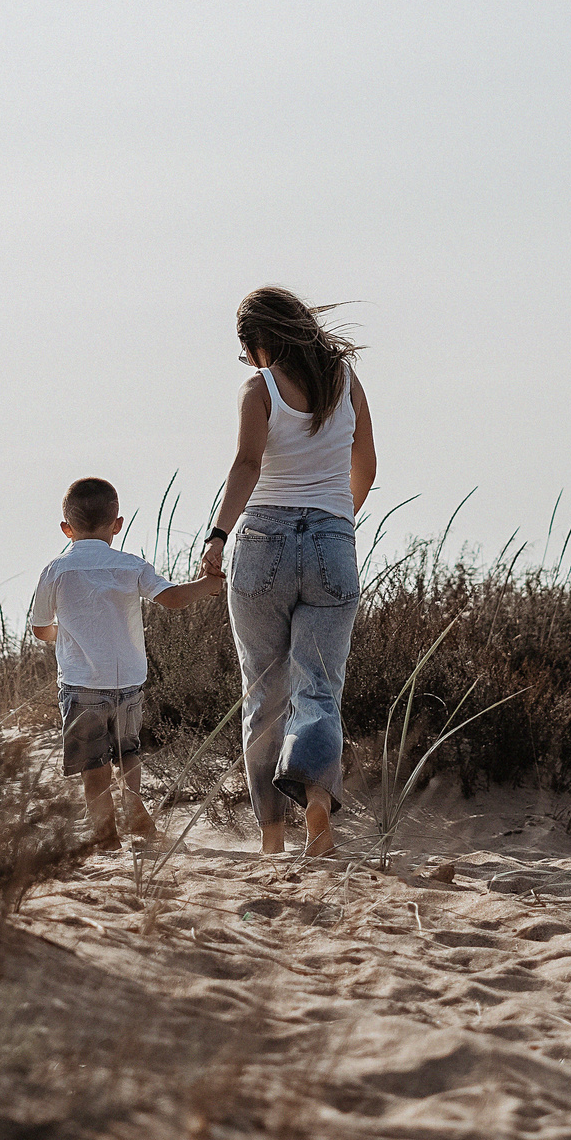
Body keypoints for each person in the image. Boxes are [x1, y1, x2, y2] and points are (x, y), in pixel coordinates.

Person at [199, 288, 377, 857]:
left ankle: (272, 840)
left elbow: (248, 464)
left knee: (263, 692)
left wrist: (218, 536)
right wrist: (336, 521)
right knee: (319, 688)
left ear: (259, 342)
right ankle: (318, 807)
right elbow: (366, 465)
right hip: (332, 539)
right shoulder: (345, 383)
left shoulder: (261, 388)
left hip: (263, 542)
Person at [28, 476, 225, 850]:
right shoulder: (131, 566)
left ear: (66, 528)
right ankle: (132, 798)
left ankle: (105, 830)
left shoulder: (56, 570)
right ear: (117, 524)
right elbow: (170, 598)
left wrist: (65, 634)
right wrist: (205, 586)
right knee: (128, 750)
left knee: (93, 762)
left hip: (82, 683)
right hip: (128, 681)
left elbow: (40, 629)